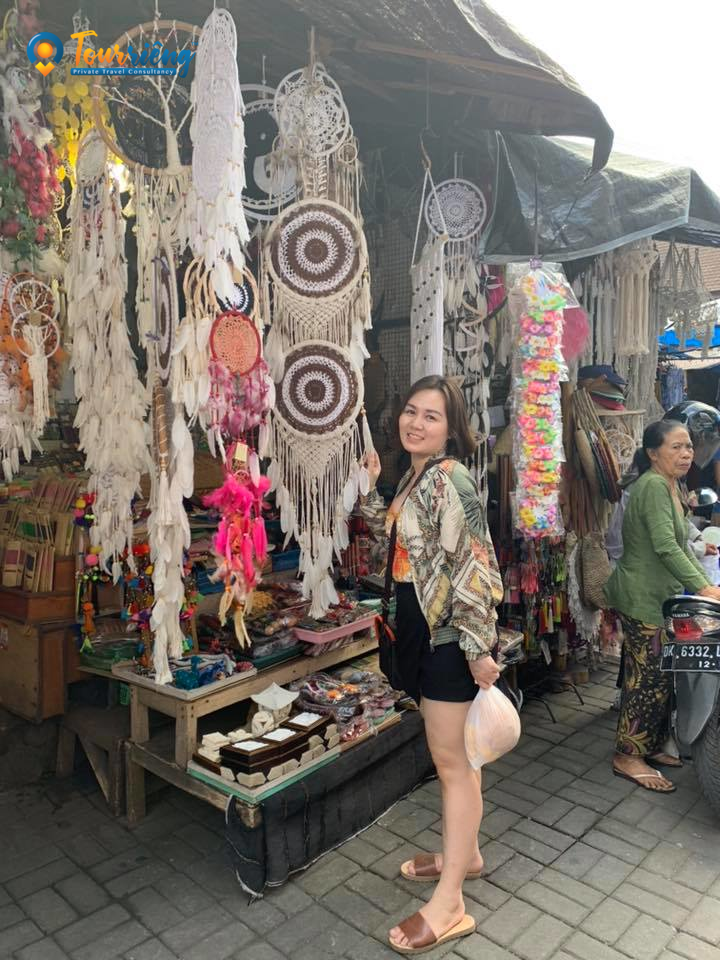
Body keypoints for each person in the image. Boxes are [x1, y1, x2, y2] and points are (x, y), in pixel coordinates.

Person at [360, 375, 504, 955]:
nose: (416, 423)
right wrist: (372, 491)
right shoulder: (414, 476)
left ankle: (450, 905)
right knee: (459, 759)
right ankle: (467, 856)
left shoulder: (450, 478)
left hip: (448, 639)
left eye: (432, 416)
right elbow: (397, 550)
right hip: (420, 631)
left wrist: (477, 648)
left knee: (452, 766)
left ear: (452, 429)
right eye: (411, 411)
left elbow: (474, 565)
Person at [604, 420, 720, 792]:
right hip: (642, 598)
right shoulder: (653, 486)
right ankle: (627, 755)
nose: (686, 454)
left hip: (660, 598)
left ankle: (650, 744)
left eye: (689, 447)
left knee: (660, 675)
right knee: (646, 679)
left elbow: (681, 543)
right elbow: (666, 547)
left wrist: (705, 585)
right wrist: (704, 587)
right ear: (653, 453)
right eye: (676, 447)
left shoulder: (670, 484)